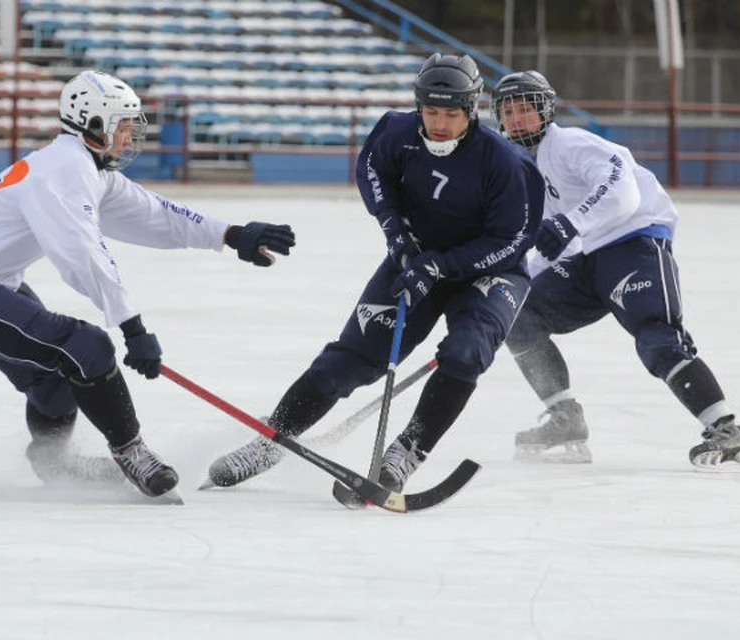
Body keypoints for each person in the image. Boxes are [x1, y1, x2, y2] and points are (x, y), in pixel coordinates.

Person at [0, 70, 296, 498]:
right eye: (124, 129)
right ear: (93, 125)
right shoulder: (61, 173)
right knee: (87, 346)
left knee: (54, 379)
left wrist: (231, 235)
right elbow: (83, 255)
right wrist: (132, 328)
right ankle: (131, 450)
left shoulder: (87, 169)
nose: (130, 140)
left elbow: (156, 214)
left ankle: (52, 460)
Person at [202, 53, 543, 493]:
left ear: (472, 110)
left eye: (451, 114)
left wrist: (442, 265)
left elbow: (512, 240)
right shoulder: (397, 132)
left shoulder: (506, 163)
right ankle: (272, 439)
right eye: (431, 111)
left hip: (490, 271)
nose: (439, 124)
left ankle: (408, 451)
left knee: (465, 351)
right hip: (414, 258)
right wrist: (396, 234)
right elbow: (372, 172)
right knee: (349, 360)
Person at [491, 70, 740, 468]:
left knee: (656, 338)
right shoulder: (525, 173)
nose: (515, 119)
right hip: (587, 260)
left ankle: (726, 429)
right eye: (508, 111)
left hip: (634, 243)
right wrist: (512, 290)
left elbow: (623, 194)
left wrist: (570, 224)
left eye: (524, 109)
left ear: (546, 111)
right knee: (518, 316)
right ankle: (565, 418)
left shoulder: (573, 145)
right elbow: (551, 248)